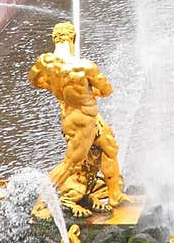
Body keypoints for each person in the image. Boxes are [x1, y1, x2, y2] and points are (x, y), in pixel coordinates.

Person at [29, 21, 125, 208]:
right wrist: (88, 94)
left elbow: (34, 80)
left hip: (80, 116)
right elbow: (106, 90)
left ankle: (115, 195)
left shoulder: (44, 63)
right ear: (73, 39)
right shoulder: (84, 67)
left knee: (110, 147)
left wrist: (56, 89)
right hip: (82, 121)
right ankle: (41, 203)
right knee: (70, 164)